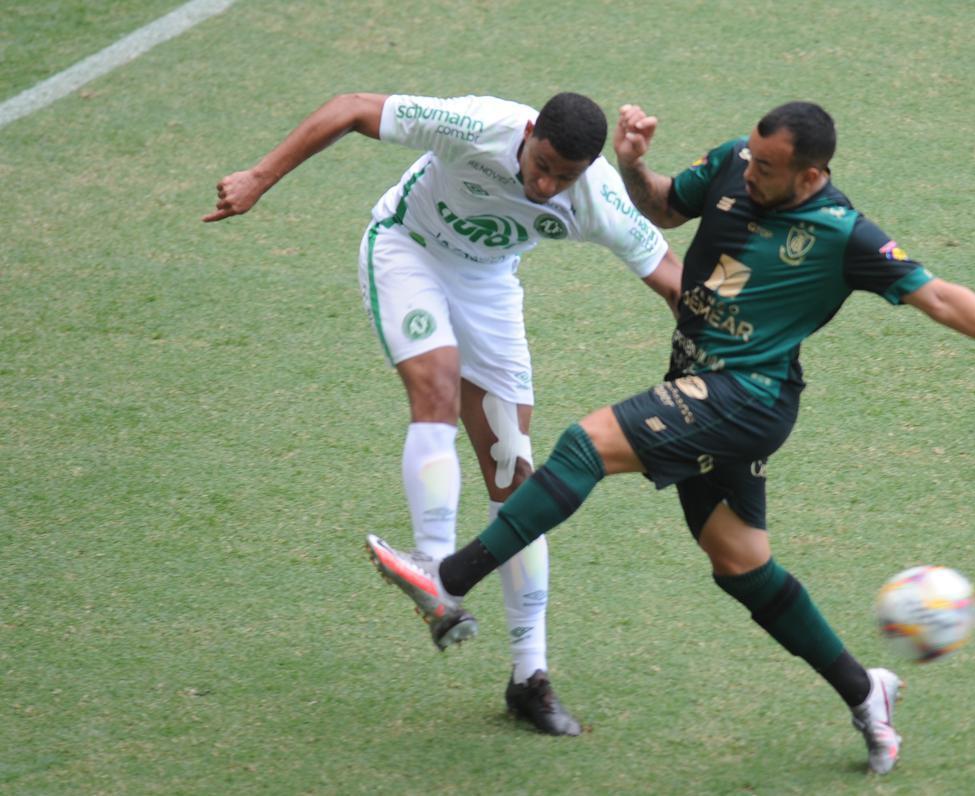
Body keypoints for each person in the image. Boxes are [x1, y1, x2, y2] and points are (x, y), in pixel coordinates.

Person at [363, 100, 975, 772]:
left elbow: (941, 298)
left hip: (746, 397)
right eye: (751, 157)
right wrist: (634, 165)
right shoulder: (731, 161)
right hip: (702, 385)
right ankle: (867, 691)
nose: (751, 172)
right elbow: (660, 208)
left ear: (812, 174)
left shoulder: (844, 233)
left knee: (583, 447)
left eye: (768, 168)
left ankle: (448, 579)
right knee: (740, 563)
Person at [204, 91, 682, 736]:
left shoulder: (594, 198)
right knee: (436, 383)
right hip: (408, 249)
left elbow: (676, 283)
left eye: (562, 178)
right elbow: (349, 108)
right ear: (532, 131)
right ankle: (435, 573)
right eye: (540, 164)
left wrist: (740, 357)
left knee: (514, 472)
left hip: (487, 283)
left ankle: (529, 677)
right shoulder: (479, 126)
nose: (544, 185)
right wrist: (259, 178)